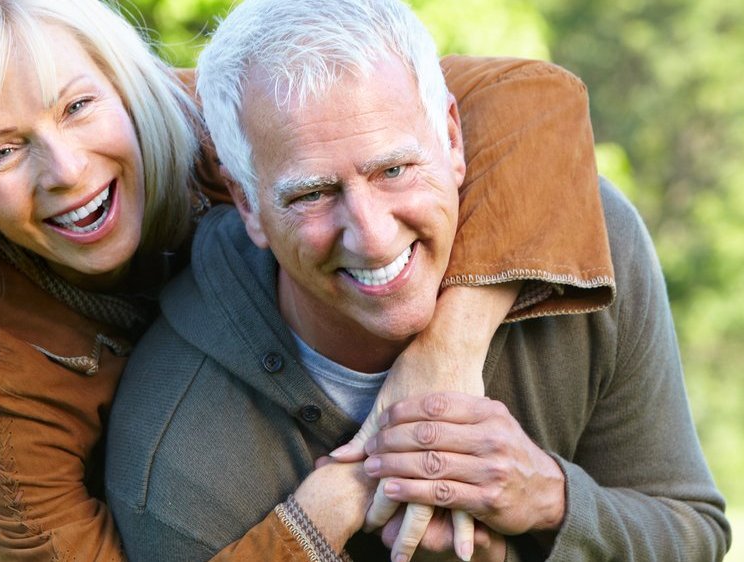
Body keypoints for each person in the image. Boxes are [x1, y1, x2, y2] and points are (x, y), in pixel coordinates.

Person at [0, 0, 617, 561]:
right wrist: (340, 498)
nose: (67, 172)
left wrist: (444, 354)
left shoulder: (222, 122)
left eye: (78, 106)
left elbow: (534, 98)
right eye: (0, 153)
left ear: (124, 87)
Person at [104, 0, 732, 560]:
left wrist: (550, 498)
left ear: (453, 138)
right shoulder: (178, 457)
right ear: (247, 205)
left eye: (396, 169)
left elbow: (694, 532)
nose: (373, 235)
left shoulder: (591, 238)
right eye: (314, 194)